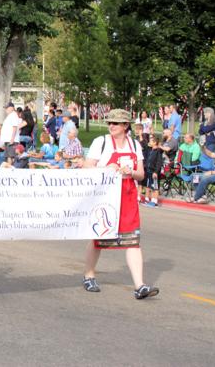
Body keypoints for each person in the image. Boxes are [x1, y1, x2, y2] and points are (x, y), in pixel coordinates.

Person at [82, 109, 159, 300]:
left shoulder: (134, 144)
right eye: (109, 123)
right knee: (99, 237)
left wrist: (131, 171)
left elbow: (141, 174)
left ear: (125, 126)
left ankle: (139, 285)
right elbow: (86, 166)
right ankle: (89, 275)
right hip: (106, 194)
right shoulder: (101, 142)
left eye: (115, 123)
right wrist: (106, 168)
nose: (111, 126)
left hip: (128, 194)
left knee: (133, 240)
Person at [0, 102, 21, 167]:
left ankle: (11, 170)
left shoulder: (14, 115)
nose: (6, 109)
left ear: (12, 108)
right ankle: (9, 170)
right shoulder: (10, 116)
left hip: (11, 141)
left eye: (7, 108)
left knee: (11, 156)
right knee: (8, 157)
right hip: (8, 140)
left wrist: (12, 139)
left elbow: (14, 128)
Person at [143, 136, 164, 207]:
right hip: (149, 171)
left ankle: (155, 201)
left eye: (151, 141)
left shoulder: (158, 151)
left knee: (155, 186)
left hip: (154, 172)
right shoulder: (151, 150)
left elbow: (159, 162)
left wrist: (155, 172)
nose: (149, 142)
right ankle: (152, 200)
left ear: (155, 143)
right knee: (151, 186)